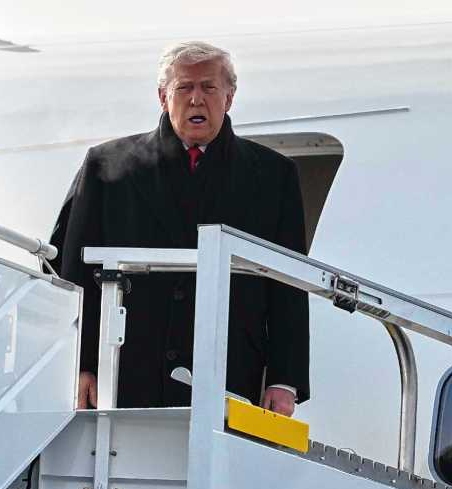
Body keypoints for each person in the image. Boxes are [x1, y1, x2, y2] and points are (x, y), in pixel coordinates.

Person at [50, 41, 309, 416]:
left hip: (228, 371)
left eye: (209, 87)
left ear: (230, 98)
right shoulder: (107, 167)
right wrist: (79, 363)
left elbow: (288, 284)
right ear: (162, 96)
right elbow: (75, 271)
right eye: (184, 88)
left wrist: (285, 379)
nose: (197, 100)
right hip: (126, 369)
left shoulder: (273, 175)